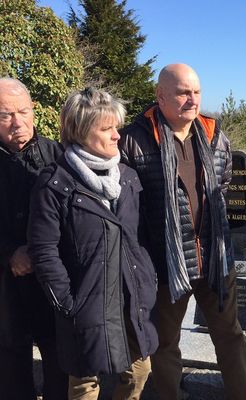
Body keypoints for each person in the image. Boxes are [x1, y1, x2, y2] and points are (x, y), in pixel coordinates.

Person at [119, 63, 246, 400]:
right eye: (182, 92)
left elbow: (221, 184)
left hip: (214, 258)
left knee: (230, 335)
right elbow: (128, 204)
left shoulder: (213, 134)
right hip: (166, 264)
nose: (191, 99)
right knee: (166, 343)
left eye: (195, 92)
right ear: (160, 95)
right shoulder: (135, 139)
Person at [28, 87, 158, 399]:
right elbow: (44, 250)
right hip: (86, 302)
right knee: (86, 384)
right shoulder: (55, 183)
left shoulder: (126, 176)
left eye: (117, 126)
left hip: (130, 297)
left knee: (140, 372)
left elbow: (140, 236)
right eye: (107, 128)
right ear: (82, 131)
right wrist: (68, 302)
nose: (117, 136)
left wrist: (146, 279)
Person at [0, 77, 68, 399]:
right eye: (5, 115)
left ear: (34, 111)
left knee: (58, 357)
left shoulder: (58, 155)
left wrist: (42, 254)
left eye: (23, 111)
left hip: (50, 278)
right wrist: (10, 253)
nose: (17, 122)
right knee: (11, 358)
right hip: (5, 281)